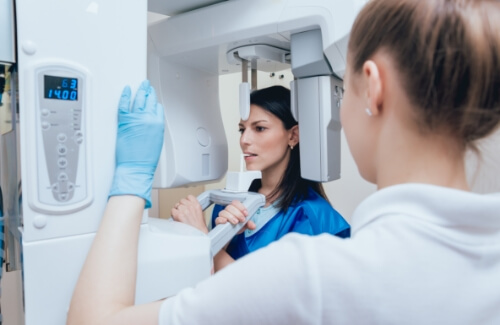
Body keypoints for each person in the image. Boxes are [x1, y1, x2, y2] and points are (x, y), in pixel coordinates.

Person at [67, 0, 500, 324]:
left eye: (340, 89)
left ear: (373, 87)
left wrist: (130, 182)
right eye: (243, 128)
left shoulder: (313, 273)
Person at [171, 86, 350, 272]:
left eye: (259, 128)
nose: (244, 140)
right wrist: (221, 239)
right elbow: (203, 282)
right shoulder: (228, 203)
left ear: (293, 135)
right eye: (242, 130)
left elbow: (270, 297)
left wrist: (202, 238)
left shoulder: (312, 216)